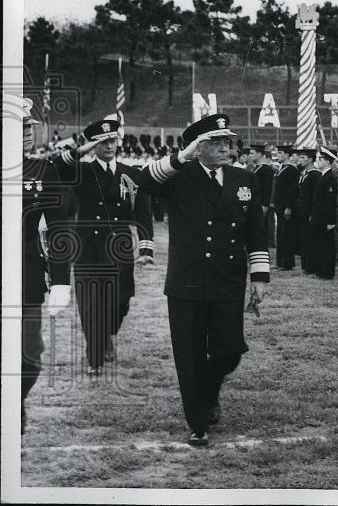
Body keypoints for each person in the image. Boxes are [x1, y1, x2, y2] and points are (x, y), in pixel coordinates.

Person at [137, 113, 269, 447]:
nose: (228, 148)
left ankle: (208, 395)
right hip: (187, 282)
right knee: (190, 355)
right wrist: (182, 156)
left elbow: (256, 231)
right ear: (199, 147)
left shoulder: (244, 179)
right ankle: (197, 423)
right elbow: (145, 180)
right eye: (218, 142)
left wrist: (260, 276)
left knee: (229, 351)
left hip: (227, 279)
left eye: (228, 142)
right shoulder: (179, 176)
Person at [52, 117, 154, 373]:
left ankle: (106, 335)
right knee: (90, 305)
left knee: (121, 302)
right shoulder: (83, 171)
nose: (109, 146)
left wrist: (145, 247)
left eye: (112, 140)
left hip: (119, 250)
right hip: (88, 249)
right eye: (102, 142)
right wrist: (80, 151)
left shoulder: (131, 174)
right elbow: (55, 167)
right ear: (93, 145)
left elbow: (142, 212)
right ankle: (94, 358)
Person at [19, 98, 72, 432]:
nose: (28, 133)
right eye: (19, 127)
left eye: (29, 127)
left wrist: (62, 280)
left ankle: (14, 401)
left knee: (29, 358)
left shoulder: (42, 170)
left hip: (25, 278)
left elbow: (58, 228)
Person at [311, 147, 338, 279]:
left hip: (325, 219)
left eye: (320, 159)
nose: (318, 161)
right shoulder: (324, 176)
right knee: (320, 245)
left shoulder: (330, 178)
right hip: (319, 217)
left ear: (328, 161)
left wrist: (331, 221)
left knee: (326, 246)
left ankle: (327, 272)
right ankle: (321, 270)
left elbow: (330, 202)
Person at [272, 146, 299, 271]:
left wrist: (289, 207)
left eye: (280, 153)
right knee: (280, 234)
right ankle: (280, 261)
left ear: (287, 155)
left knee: (286, 234)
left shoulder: (292, 169)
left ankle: (287, 263)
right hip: (279, 205)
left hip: (286, 207)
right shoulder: (282, 168)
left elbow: (293, 191)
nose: (278, 155)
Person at [246, 145, 275, 258]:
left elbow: (267, 188)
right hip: (255, 203)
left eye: (252, 153)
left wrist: (265, 204)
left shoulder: (265, 168)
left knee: (262, 230)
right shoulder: (256, 167)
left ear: (259, 154)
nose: (250, 155)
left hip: (261, 203)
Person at [295, 149, 321, 274]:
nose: (301, 161)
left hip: (310, 212)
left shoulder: (315, 174)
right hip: (303, 211)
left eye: (303, 158)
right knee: (304, 239)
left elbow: (317, 196)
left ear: (310, 159)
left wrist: (313, 213)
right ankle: (306, 265)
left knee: (311, 240)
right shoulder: (305, 173)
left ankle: (311, 266)